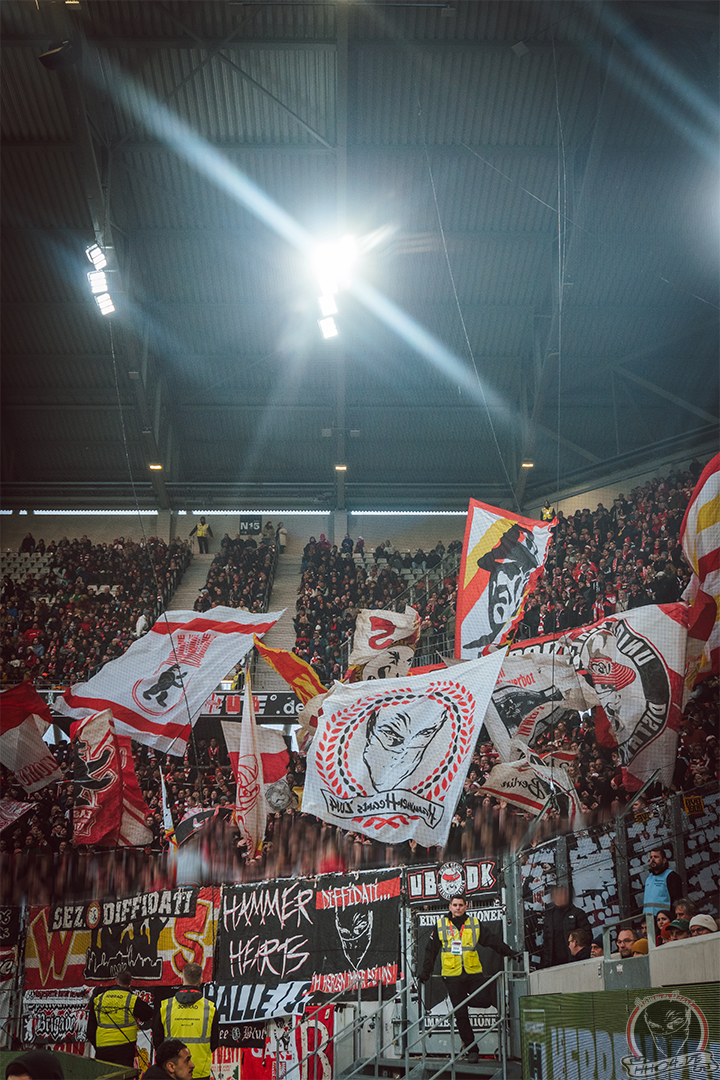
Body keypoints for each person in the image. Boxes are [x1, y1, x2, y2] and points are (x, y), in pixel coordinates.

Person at [418, 894, 518, 1062]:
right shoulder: (441, 925)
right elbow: (430, 951)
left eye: (460, 905)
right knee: (461, 1015)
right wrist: (425, 972)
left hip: (473, 973)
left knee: (485, 1000)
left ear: (466, 907)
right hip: (452, 975)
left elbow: (492, 941)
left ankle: (461, 1002)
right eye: (455, 905)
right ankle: (472, 1049)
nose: (457, 908)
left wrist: (509, 952)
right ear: (450, 907)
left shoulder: (474, 923)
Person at [153, 962, 218, 1080]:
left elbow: (157, 1041)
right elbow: (214, 1043)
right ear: (201, 980)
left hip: (173, 1072)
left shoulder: (166, 1007)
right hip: (199, 1071)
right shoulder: (210, 1008)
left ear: (182, 979)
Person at [88, 967, 154, 1067]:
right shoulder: (131, 999)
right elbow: (148, 1014)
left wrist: (98, 1046)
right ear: (130, 982)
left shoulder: (99, 998)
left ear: (116, 980)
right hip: (125, 1050)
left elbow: (90, 1029)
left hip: (103, 1049)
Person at [540, 885, 591, 967]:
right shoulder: (549, 917)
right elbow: (546, 943)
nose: (560, 896)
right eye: (557, 894)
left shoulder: (578, 914)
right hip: (554, 965)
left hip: (575, 963)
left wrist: (579, 957)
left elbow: (587, 938)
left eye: (562, 894)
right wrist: (546, 964)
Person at [642, 847, 683, 921]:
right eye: (651, 857)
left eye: (656, 857)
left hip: (664, 919)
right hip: (648, 919)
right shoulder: (649, 878)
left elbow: (677, 901)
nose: (652, 859)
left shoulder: (671, 876)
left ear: (664, 860)